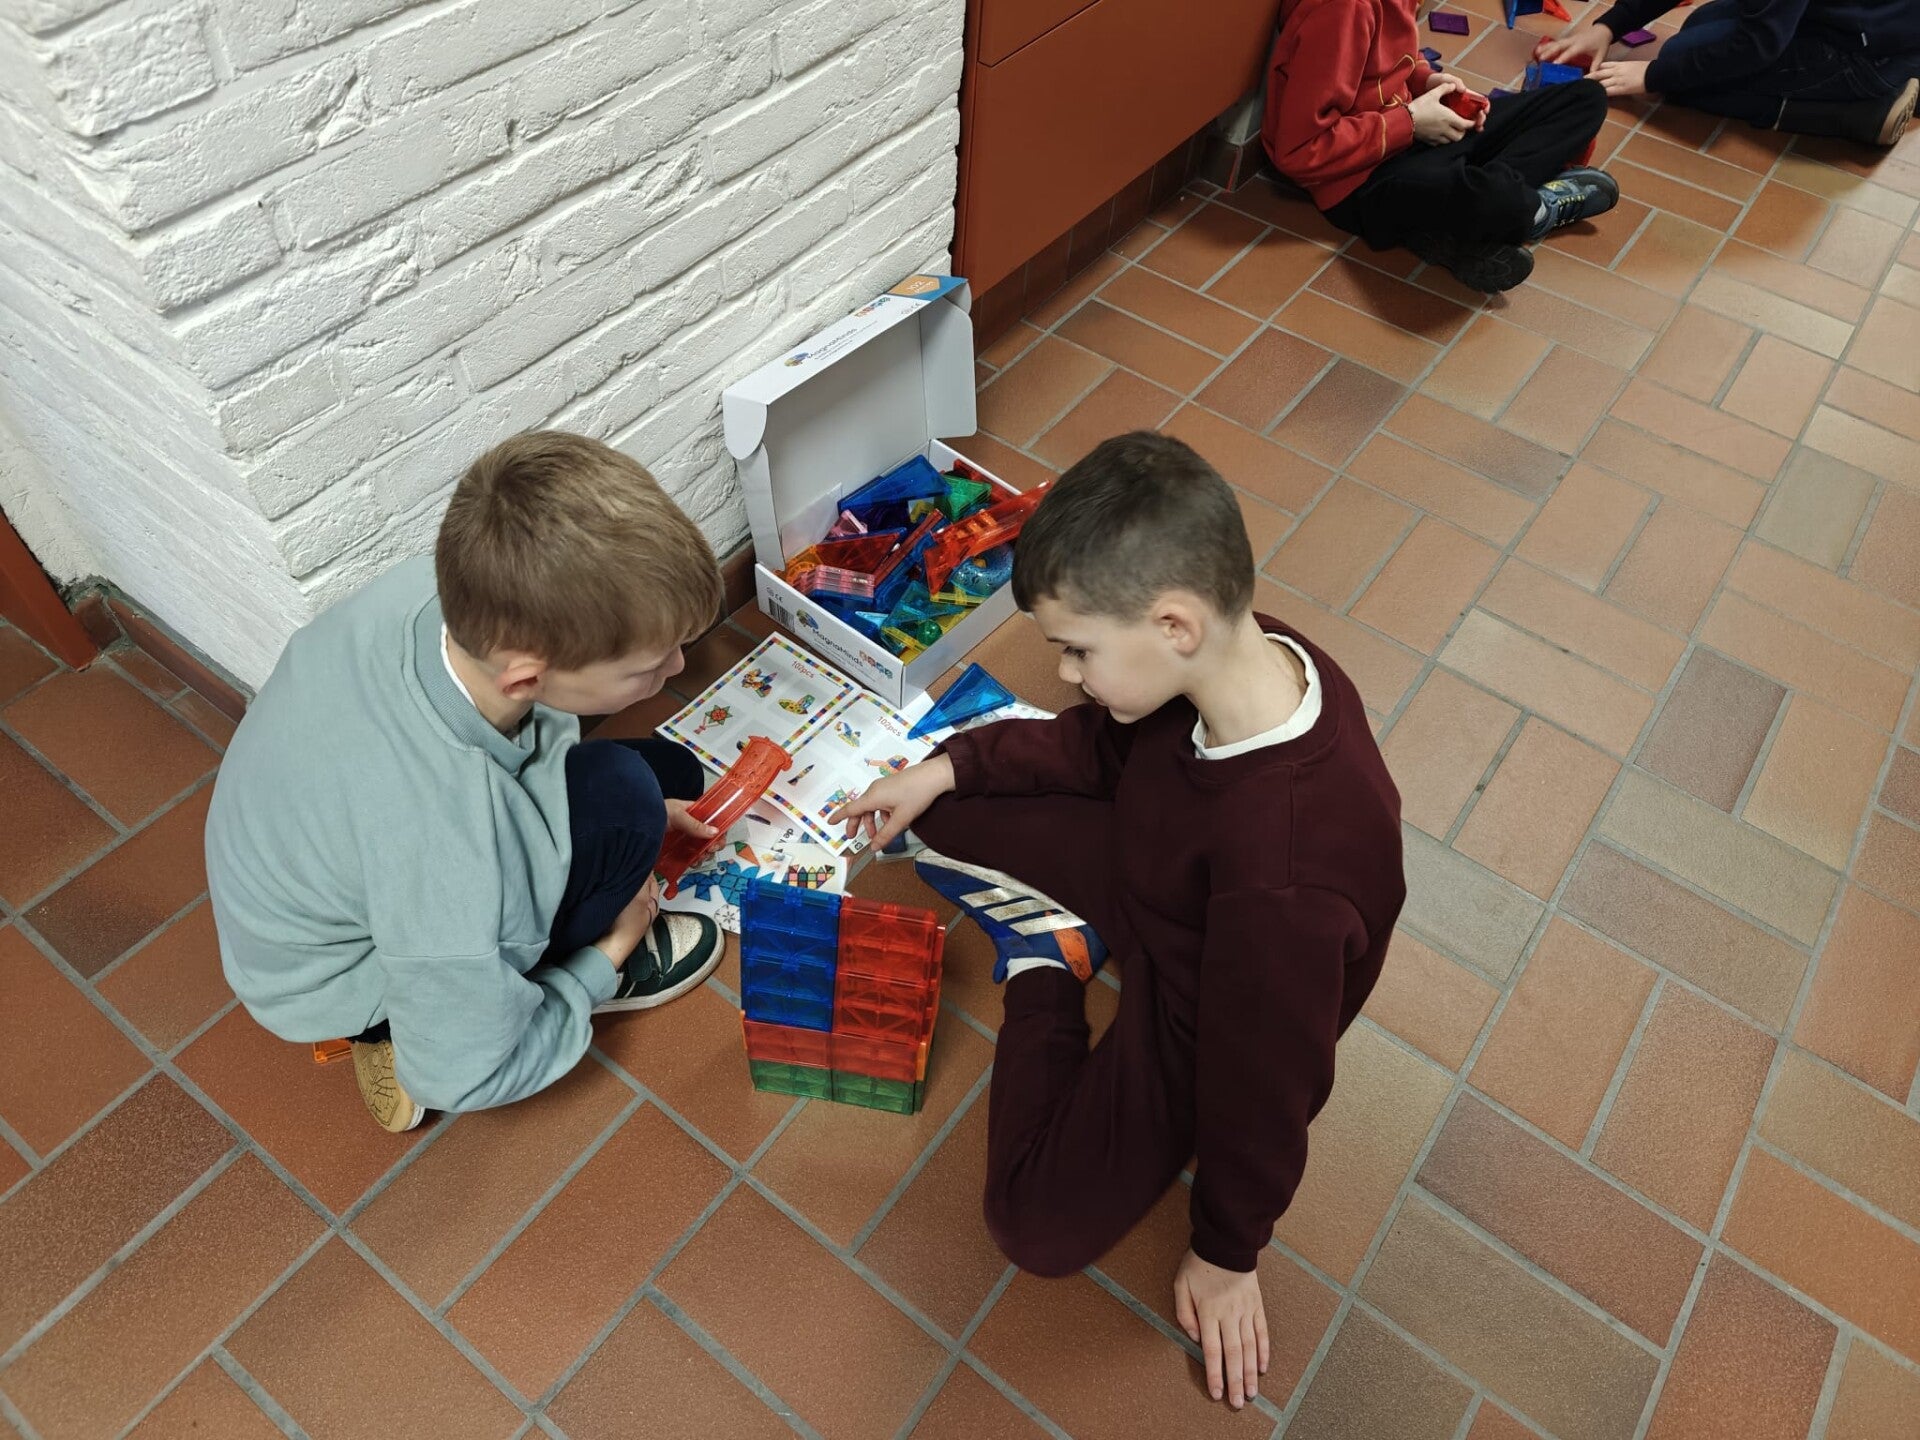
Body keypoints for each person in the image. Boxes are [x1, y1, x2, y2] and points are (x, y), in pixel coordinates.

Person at [832, 434, 1406, 1412]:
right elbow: (1094, 745)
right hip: (1158, 876)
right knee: (943, 809)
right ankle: (1038, 884)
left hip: (1198, 1012)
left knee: (1033, 1224)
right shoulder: (1238, 653)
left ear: (1174, 624)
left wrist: (1227, 1253)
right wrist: (950, 767)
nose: (1063, 672)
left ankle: (1044, 960)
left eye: (1078, 649)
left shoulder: (1284, 884)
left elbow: (1268, 1087)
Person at [207, 432, 727, 1134]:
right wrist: (604, 960)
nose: (677, 669)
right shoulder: (448, 855)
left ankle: (462, 986)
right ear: (525, 678)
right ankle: (390, 1029)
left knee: (667, 776)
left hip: (317, 877)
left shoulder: (445, 591)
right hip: (357, 974)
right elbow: (466, 1076)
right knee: (628, 804)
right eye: (649, 665)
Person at [1263, 0, 1620, 292]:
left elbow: (1394, 60)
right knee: (1501, 200)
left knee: (1586, 98)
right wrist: (1410, 122)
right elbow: (1300, 150)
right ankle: (1535, 209)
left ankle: (1450, 224)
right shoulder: (1342, 9)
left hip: (1410, 138)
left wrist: (1428, 81)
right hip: (1361, 181)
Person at [1539, 0, 1919, 144]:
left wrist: (1653, 76)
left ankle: (1860, 113)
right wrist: (1610, 26)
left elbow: (1757, 45)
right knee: (1700, 29)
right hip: (1862, 19)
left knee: (1685, 70)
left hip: (1866, 56)